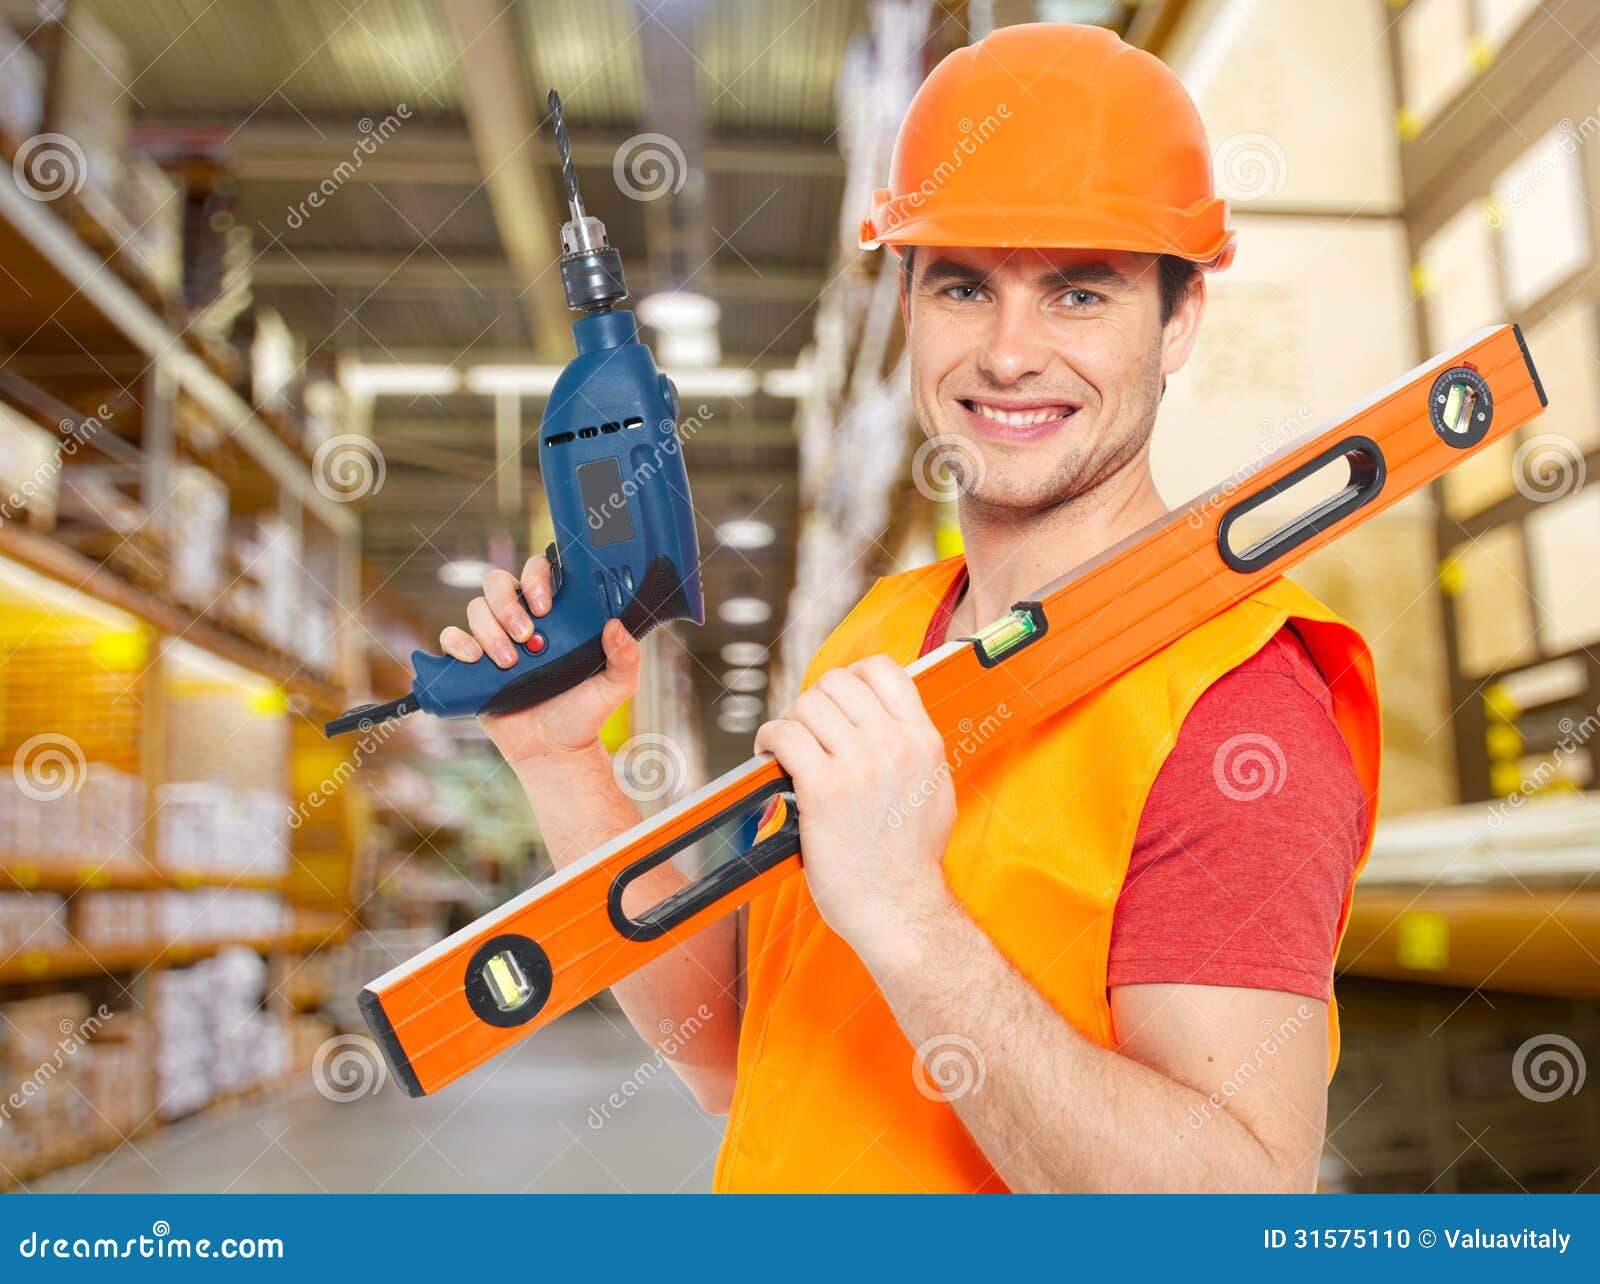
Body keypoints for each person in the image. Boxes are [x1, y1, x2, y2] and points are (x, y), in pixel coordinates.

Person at [437, 22, 1380, 1193]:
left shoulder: (1239, 709)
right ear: (908, 305)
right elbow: (735, 1048)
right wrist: (563, 761)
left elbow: (1223, 1219)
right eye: (963, 286)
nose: (1008, 352)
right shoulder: (880, 634)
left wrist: (906, 914)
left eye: (1079, 292)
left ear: (1179, 320)